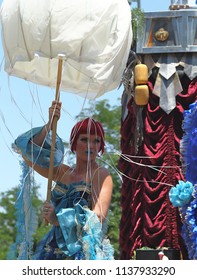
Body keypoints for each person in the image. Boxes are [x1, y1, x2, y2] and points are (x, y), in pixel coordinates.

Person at [14, 100, 114, 260]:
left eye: (96, 141)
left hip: (83, 253)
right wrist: (50, 123)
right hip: (52, 250)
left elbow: (98, 217)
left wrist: (58, 218)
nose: (91, 146)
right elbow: (28, 153)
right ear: (74, 143)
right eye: (84, 140)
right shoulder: (62, 172)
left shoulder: (101, 174)